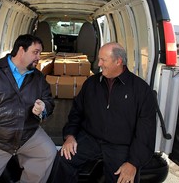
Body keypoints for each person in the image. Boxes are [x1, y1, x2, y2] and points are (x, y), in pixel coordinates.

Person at [48, 42, 157, 183]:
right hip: (90, 139)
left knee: (124, 178)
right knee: (63, 160)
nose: (98, 64)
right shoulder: (91, 84)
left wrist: (133, 163)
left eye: (103, 60)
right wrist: (70, 136)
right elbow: (76, 113)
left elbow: (146, 131)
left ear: (118, 61)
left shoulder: (141, 90)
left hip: (121, 145)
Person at [0, 34, 57, 183]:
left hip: (27, 133)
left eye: (39, 53)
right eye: (35, 52)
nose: (38, 57)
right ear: (21, 50)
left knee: (48, 153)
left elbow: (49, 101)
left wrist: (43, 107)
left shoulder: (38, 77)